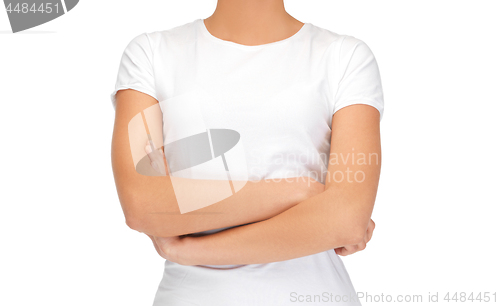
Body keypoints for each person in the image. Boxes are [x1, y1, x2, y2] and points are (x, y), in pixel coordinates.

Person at [110, 1, 383, 305]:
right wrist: (298, 191)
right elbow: (142, 205)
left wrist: (190, 249)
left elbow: (346, 220)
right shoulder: (151, 54)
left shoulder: (345, 57)